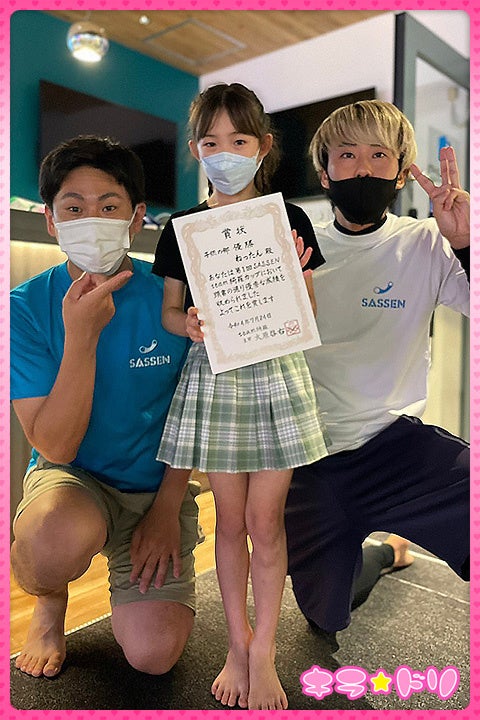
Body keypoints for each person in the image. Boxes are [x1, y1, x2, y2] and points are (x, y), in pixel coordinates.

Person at [152, 82, 329, 710]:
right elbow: (170, 313)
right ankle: (236, 643)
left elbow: (307, 311)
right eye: (211, 142)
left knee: (264, 520)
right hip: (218, 376)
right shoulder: (182, 227)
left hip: (276, 376)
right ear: (196, 150)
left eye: (239, 140)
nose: (224, 153)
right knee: (230, 520)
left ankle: (263, 653)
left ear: (263, 147)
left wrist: (294, 277)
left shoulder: (289, 219)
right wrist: (189, 325)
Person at [10, 135, 202, 679]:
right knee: (49, 544)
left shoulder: (173, 300)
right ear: (51, 220)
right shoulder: (23, 308)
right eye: (74, 208)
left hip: (157, 487)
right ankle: (50, 600)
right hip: (74, 479)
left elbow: (195, 411)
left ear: (137, 218)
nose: (91, 220)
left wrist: (166, 509)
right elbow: (55, 445)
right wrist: (81, 338)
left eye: (109, 206)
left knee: (153, 656)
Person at [284, 99, 470, 639]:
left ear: (401, 172)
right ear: (325, 173)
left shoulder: (426, 241)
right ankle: (386, 552)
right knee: (324, 618)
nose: (363, 168)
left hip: (395, 448)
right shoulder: (295, 247)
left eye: (379, 154)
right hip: (308, 460)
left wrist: (465, 242)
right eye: (347, 154)